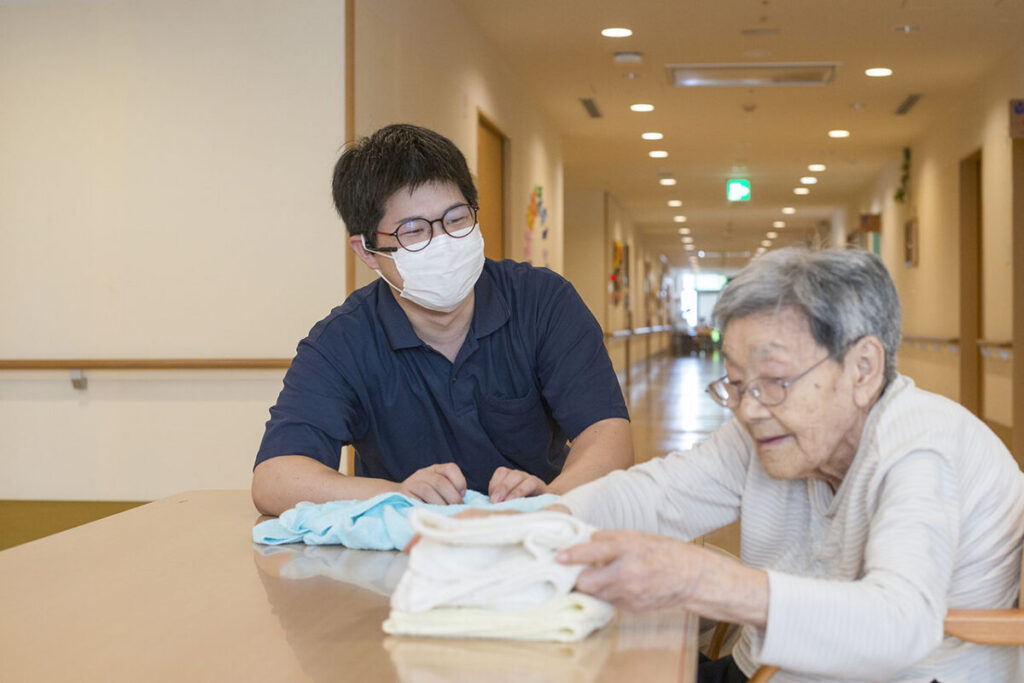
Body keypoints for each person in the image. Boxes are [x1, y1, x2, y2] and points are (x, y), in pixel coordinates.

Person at [552, 247, 1024, 682]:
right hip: (772, 669)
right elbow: (655, 495)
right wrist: (540, 517)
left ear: (863, 369)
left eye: (775, 380)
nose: (749, 408)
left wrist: (701, 580)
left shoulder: (922, 445)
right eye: (736, 382)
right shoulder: (767, 428)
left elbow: (901, 622)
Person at [252, 124, 632, 517]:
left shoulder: (543, 302)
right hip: (407, 545)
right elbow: (275, 478)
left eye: (456, 219)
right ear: (367, 251)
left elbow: (607, 433)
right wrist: (395, 495)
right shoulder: (343, 340)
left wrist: (551, 503)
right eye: (413, 231)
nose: (444, 242)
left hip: (541, 534)